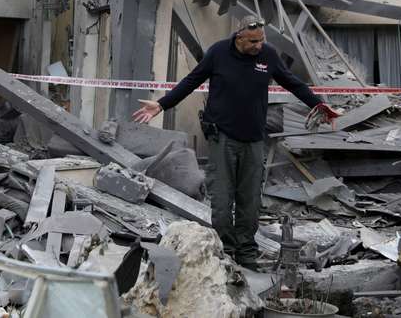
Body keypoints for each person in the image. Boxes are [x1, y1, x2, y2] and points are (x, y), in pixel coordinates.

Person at [132, 15, 337, 269]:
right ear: (239, 37)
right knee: (221, 202)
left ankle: (246, 254)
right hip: (222, 139)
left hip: (253, 141)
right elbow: (191, 81)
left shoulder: (268, 56)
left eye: (261, 40)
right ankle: (225, 253)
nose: (258, 46)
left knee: (249, 204)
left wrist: (318, 104)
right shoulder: (218, 53)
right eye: (253, 41)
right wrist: (162, 104)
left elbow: (294, 83)